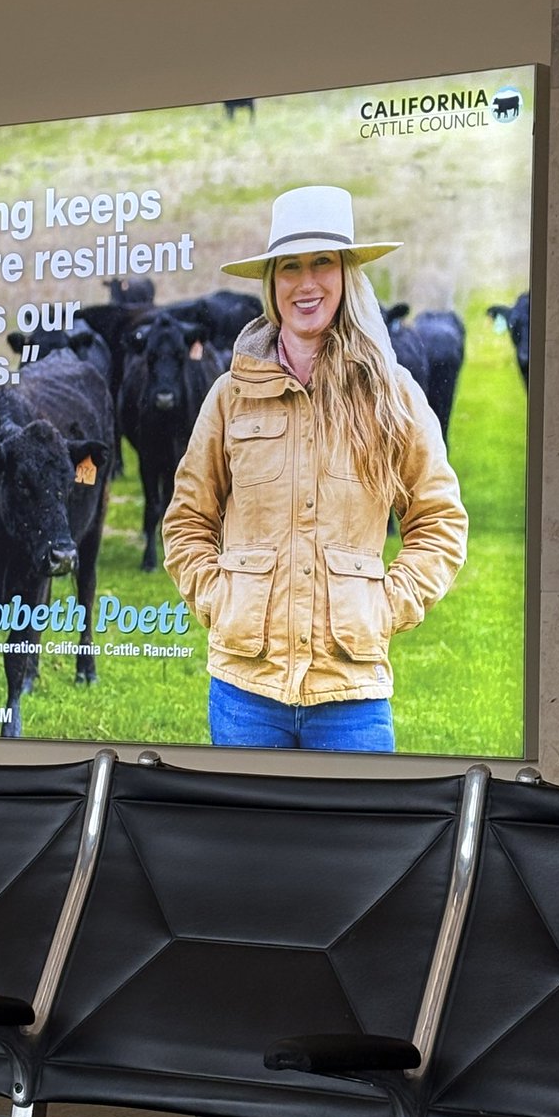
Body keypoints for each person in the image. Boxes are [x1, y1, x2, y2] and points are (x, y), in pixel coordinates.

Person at [161, 185, 468, 751]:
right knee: (247, 843)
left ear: (347, 274)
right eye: (289, 268)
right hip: (244, 693)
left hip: (351, 695)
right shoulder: (230, 397)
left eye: (322, 263)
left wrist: (385, 605)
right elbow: (186, 522)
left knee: (360, 841)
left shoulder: (391, 393)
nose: (306, 284)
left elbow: (440, 522)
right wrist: (218, 596)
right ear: (271, 284)